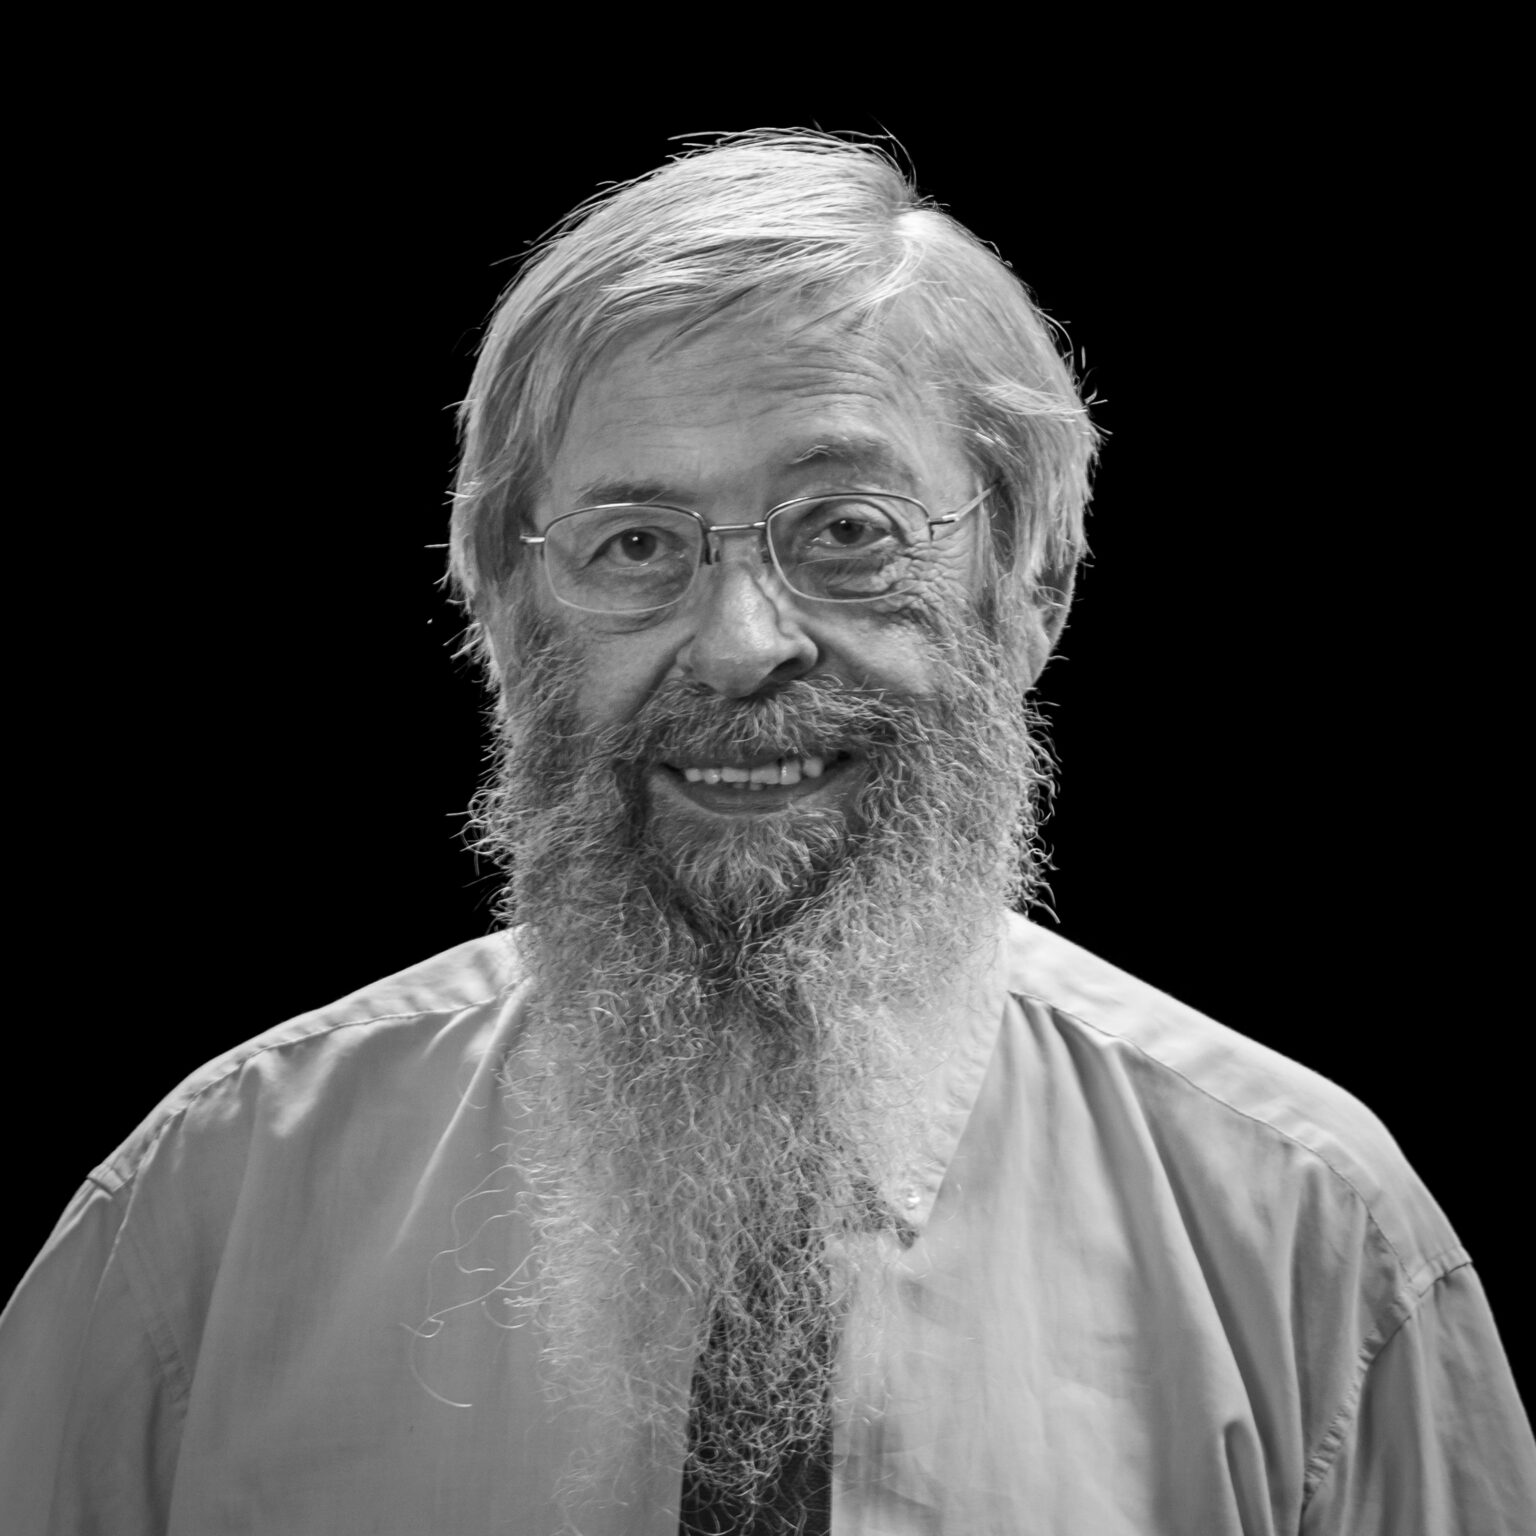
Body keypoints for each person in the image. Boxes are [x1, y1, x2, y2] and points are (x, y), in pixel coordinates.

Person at [2, 130, 1531, 1536]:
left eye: (847, 532)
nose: (740, 644)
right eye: (635, 545)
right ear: (506, 616)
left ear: (1033, 588)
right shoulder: (211, 1214)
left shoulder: (1312, 1238)